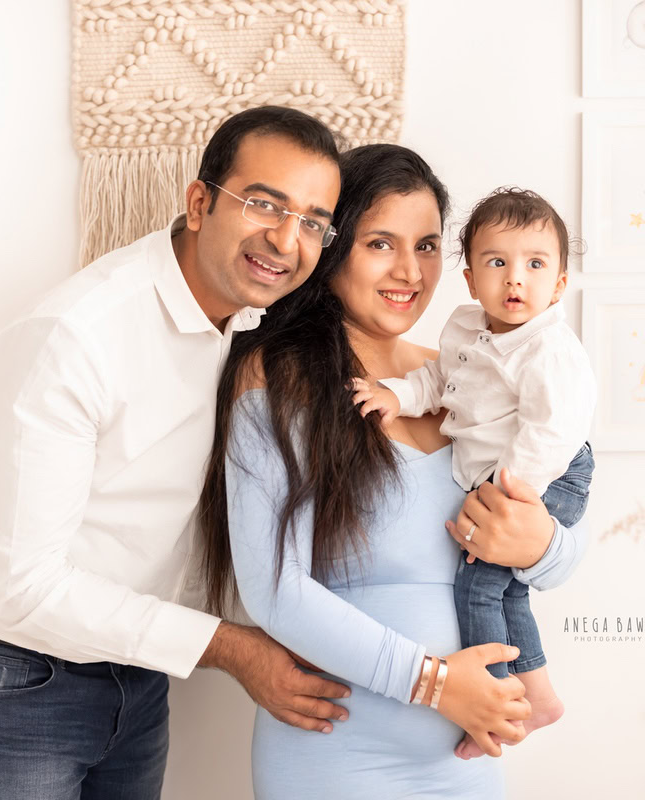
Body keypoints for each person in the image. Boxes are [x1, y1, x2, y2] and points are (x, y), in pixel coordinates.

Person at [0, 106, 352, 799]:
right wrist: (234, 649)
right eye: (264, 204)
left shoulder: (252, 331)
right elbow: (24, 588)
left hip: (133, 677)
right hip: (5, 681)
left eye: (313, 222)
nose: (286, 239)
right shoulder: (74, 336)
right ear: (199, 202)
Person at [200, 146, 590, 799]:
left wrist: (542, 546)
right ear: (333, 249)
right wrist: (436, 683)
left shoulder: (470, 374)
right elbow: (274, 591)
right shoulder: (277, 378)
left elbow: (562, 559)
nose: (410, 271)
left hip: (464, 761)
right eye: (381, 243)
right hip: (336, 754)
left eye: (429, 245)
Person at [350, 187, 597, 759]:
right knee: (504, 588)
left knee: (481, 583)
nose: (516, 280)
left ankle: (497, 697)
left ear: (560, 283)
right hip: (506, 475)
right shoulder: (466, 332)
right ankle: (536, 694)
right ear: (470, 280)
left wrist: (512, 496)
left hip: (547, 472)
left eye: (536, 265)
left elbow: (554, 432)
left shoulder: (549, 351)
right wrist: (397, 395)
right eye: (497, 263)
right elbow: (442, 383)